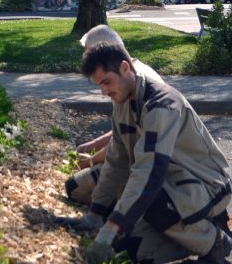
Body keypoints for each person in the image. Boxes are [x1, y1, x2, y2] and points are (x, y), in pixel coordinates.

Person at [77, 42, 232, 264]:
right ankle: (192, 235)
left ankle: (215, 245)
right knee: (126, 254)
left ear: (125, 68)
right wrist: (95, 214)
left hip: (208, 186)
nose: (104, 91)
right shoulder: (121, 101)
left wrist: (110, 227)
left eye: (106, 82)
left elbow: (149, 174)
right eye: (99, 85)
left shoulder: (162, 103)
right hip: (171, 185)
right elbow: (117, 159)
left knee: (151, 199)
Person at [65, 26, 162, 207]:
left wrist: (92, 160)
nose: (103, 92)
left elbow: (127, 147)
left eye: (89, 55)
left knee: (74, 187)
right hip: (136, 161)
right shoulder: (127, 79)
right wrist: (93, 145)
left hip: (149, 171)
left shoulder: (141, 89)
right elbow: (124, 130)